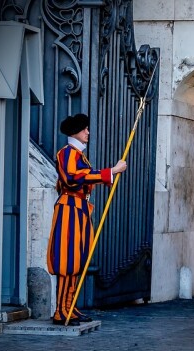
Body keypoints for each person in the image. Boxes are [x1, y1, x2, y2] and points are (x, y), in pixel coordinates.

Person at [46, 113, 127, 326]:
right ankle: (61, 311)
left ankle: (70, 307)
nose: (88, 132)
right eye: (84, 129)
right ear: (76, 132)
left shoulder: (77, 155)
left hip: (80, 208)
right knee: (67, 261)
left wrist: (107, 175)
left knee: (77, 260)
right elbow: (73, 178)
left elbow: (85, 175)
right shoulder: (67, 154)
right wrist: (110, 171)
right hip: (69, 208)